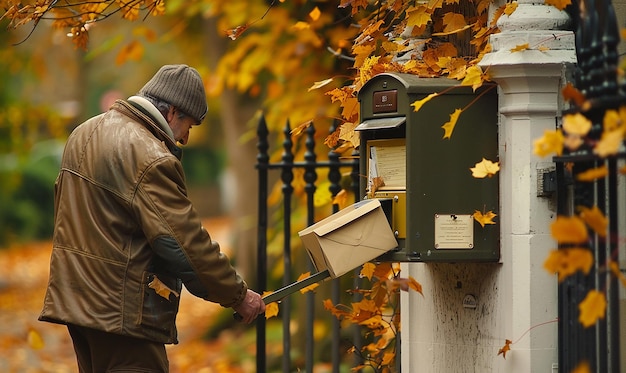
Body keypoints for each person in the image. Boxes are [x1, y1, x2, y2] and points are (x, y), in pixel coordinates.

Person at [39, 64, 265, 372]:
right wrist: (237, 295)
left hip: (75, 300)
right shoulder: (149, 155)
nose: (185, 138)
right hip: (120, 314)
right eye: (190, 125)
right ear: (172, 112)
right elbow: (184, 244)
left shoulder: (84, 133)